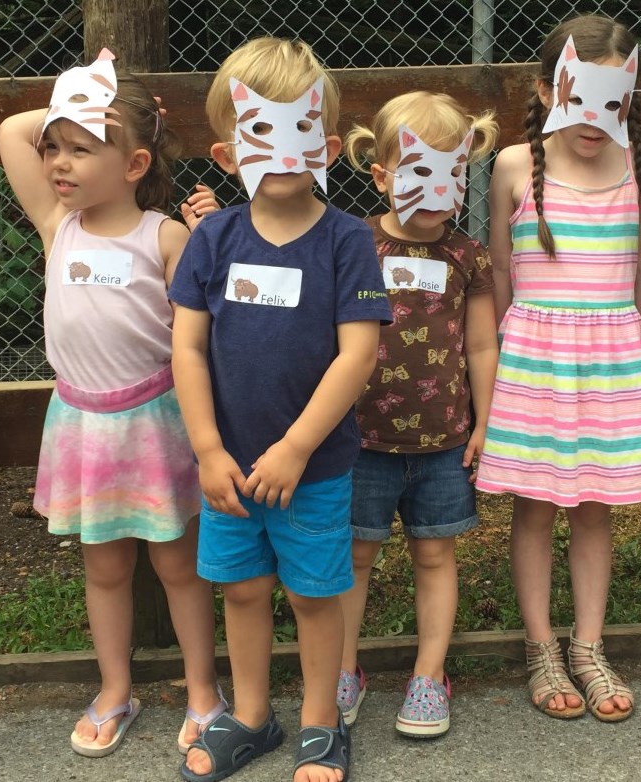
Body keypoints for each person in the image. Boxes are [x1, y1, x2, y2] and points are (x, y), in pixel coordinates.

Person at [169, 37, 392, 782]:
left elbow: (357, 354)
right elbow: (189, 349)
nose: (285, 151)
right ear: (228, 154)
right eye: (262, 132)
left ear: (327, 144)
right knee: (242, 590)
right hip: (229, 468)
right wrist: (206, 448)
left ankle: (322, 723)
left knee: (314, 594)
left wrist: (297, 447)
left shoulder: (348, 241)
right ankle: (256, 718)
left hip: (315, 469)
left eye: (301, 132)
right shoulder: (213, 239)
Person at [0, 50, 223, 758]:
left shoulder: (166, 237)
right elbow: (12, 130)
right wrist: (84, 96)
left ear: (133, 165)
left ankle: (203, 692)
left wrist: (123, 111)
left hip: (157, 423)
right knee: (105, 569)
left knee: (180, 567)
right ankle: (115, 689)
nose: (58, 163)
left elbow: (199, 342)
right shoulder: (54, 223)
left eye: (80, 149)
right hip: (82, 426)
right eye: (54, 149)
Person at [478, 13, 641, 723]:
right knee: (534, 506)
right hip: (535, 359)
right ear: (546, 88)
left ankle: (588, 645)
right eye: (581, 96)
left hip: (613, 360)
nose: (597, 118)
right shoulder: (516, 166)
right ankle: (541, 648)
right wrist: (499, 363)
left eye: (614, 100)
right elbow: (500, 266)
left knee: (594, 511)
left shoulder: (638, 165)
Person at [336, 91, 499, 738]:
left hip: (442, 446)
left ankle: (430, 675)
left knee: (436, 558)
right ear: (381, 175)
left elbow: (483, 344)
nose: (440, 186)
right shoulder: (354, 244)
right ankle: (341, 667)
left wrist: (485, 423)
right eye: (421, 170)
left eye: (453, 172)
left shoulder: (468, 256)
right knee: (353, 560)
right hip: (362, 443)